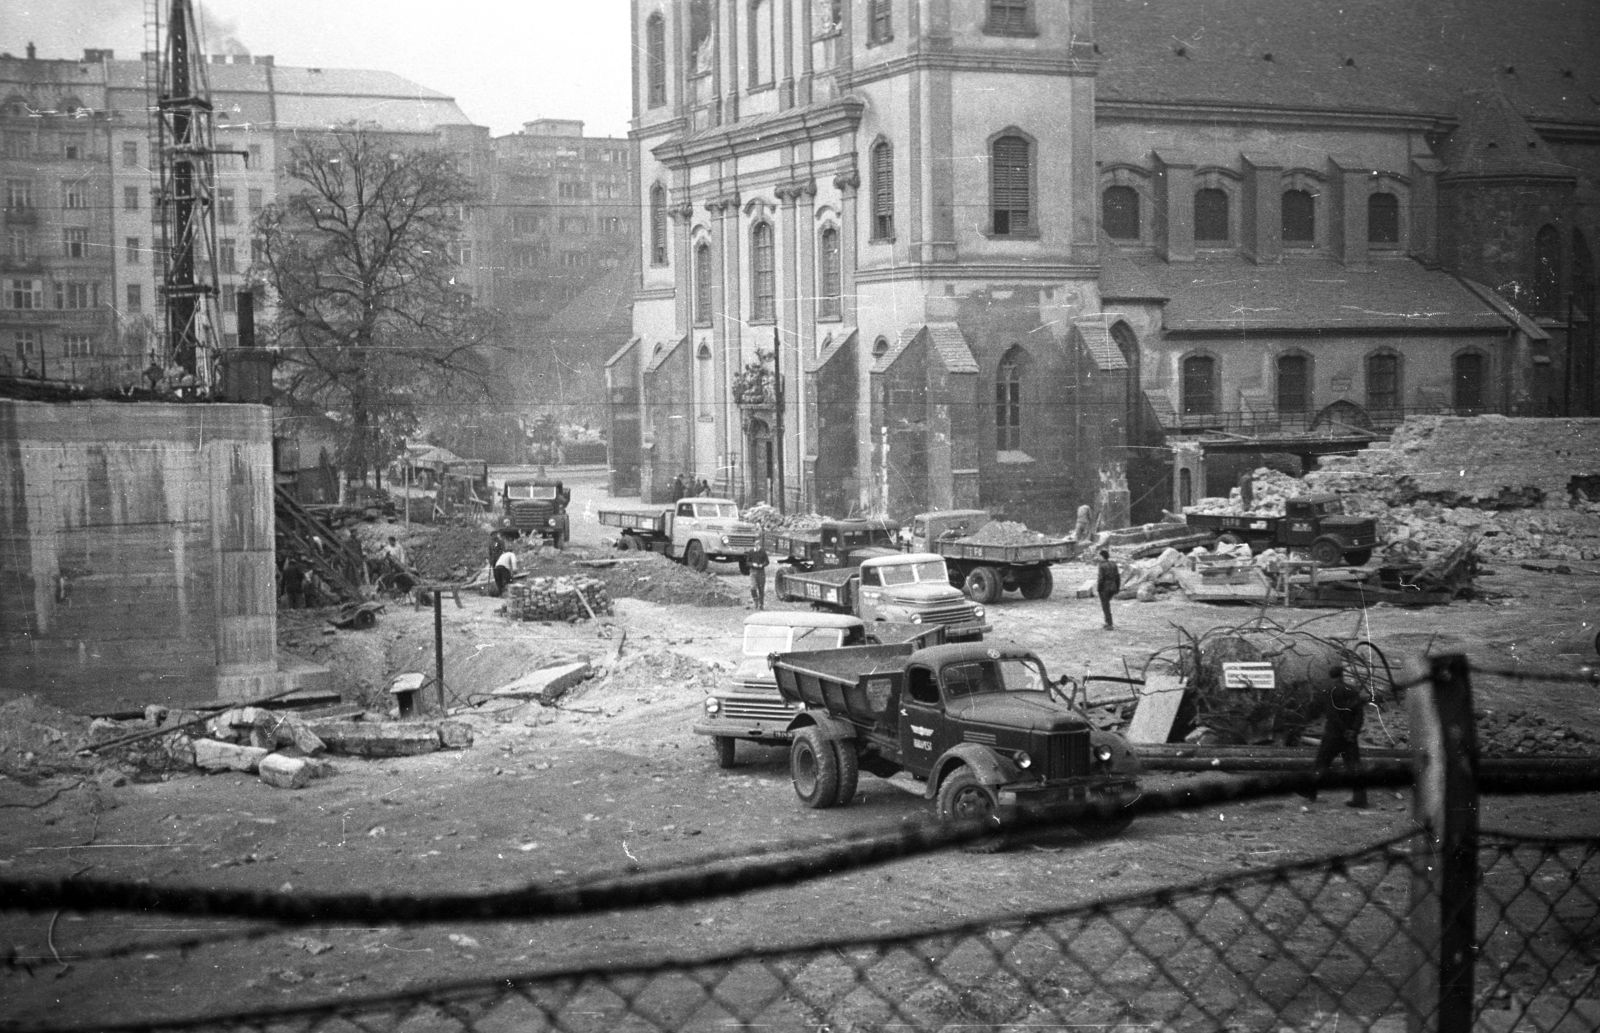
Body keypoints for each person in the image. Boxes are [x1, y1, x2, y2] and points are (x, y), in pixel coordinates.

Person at [1301, 665, 1370, 809]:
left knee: (1321, 764)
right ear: (1342, 675)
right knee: (1354, 767)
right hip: (1349, 737)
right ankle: (1360, 799)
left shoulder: (1326, 690)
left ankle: (1310, 791)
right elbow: (1359, 714)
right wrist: (1353, 731)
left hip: (1333, 735)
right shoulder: (1352, 691)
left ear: (1330, 675)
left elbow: (1330, 714)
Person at [1096, 549, 1121, 630]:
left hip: (1104, 588)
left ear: (1102, 556)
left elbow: (1101, 579)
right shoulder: (1113, 564)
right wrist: (1117, 588)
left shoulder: (1102, 566)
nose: (1098, 557)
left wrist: (1098, 588)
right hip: (1113, 587)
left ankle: (1109, 623)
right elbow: (1118, 577)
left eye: (1099, 556)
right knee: (1107, 605)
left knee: (1105, 606)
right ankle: (1107, 622)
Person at [748, 536, 770, 610]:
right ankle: (756, 601)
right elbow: (747, 562)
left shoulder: (763, 552)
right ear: (754, 543)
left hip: (761, 571)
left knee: (761, 588)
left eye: (758, 543)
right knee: (753, 587)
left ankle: (761, 604)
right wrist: (752, 564)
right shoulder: (751, 552)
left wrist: (762, 565)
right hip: (753, 571)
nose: (757, 545)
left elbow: (767, 562)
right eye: (756, 543)